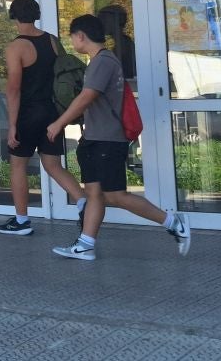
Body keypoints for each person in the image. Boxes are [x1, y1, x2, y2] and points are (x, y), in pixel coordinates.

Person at [46, 14, 192, 261]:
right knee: (94, 193)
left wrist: (59, 122)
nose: (72, 43)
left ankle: (173, 222)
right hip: (94, 137)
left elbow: (86, 97)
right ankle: (86, 244)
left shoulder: (104, 61)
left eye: (72, 37)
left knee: (116, 195)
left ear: (80, 35)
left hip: (108, 139)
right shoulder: (96, 62)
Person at [0, 0, 86, 236]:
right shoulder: (53, 41)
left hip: (29, 113)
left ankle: (22, 221)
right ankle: (83, 203)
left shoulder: (16, 47)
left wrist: (12, 125)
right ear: (36, 14)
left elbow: (14, 88)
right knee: (53, 164)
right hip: (53, 112)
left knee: (18, 165)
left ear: (14, 17)